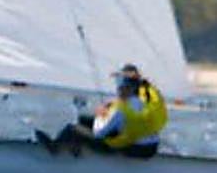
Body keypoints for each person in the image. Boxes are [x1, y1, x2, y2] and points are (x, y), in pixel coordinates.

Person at [35, 63, 167, 159]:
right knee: (85, 121)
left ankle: (55, 148)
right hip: (149, 148)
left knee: (72, 129)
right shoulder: (145, 100)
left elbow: (101, 133)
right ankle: (76, 146)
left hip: (133, 149)